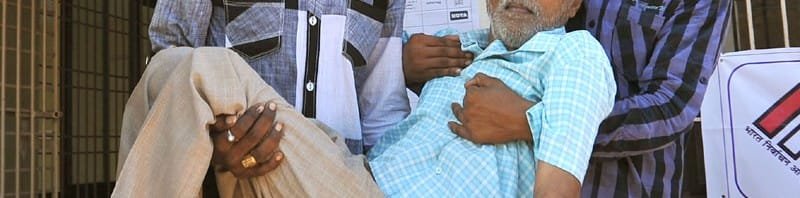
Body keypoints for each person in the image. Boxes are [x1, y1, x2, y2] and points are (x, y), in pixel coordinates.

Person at [445, 0, 732, 197]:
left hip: (626, 187)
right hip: (519, 176)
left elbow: (671, 106)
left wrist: (532, 122)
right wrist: (413, 63)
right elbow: (521, 36)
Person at [368, 0, 616, 196]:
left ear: (573, 4)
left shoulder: (575, 51)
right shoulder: (451, 45)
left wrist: (528, 121)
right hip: (365, 177)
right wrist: (399, 63)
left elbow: (556, 190)